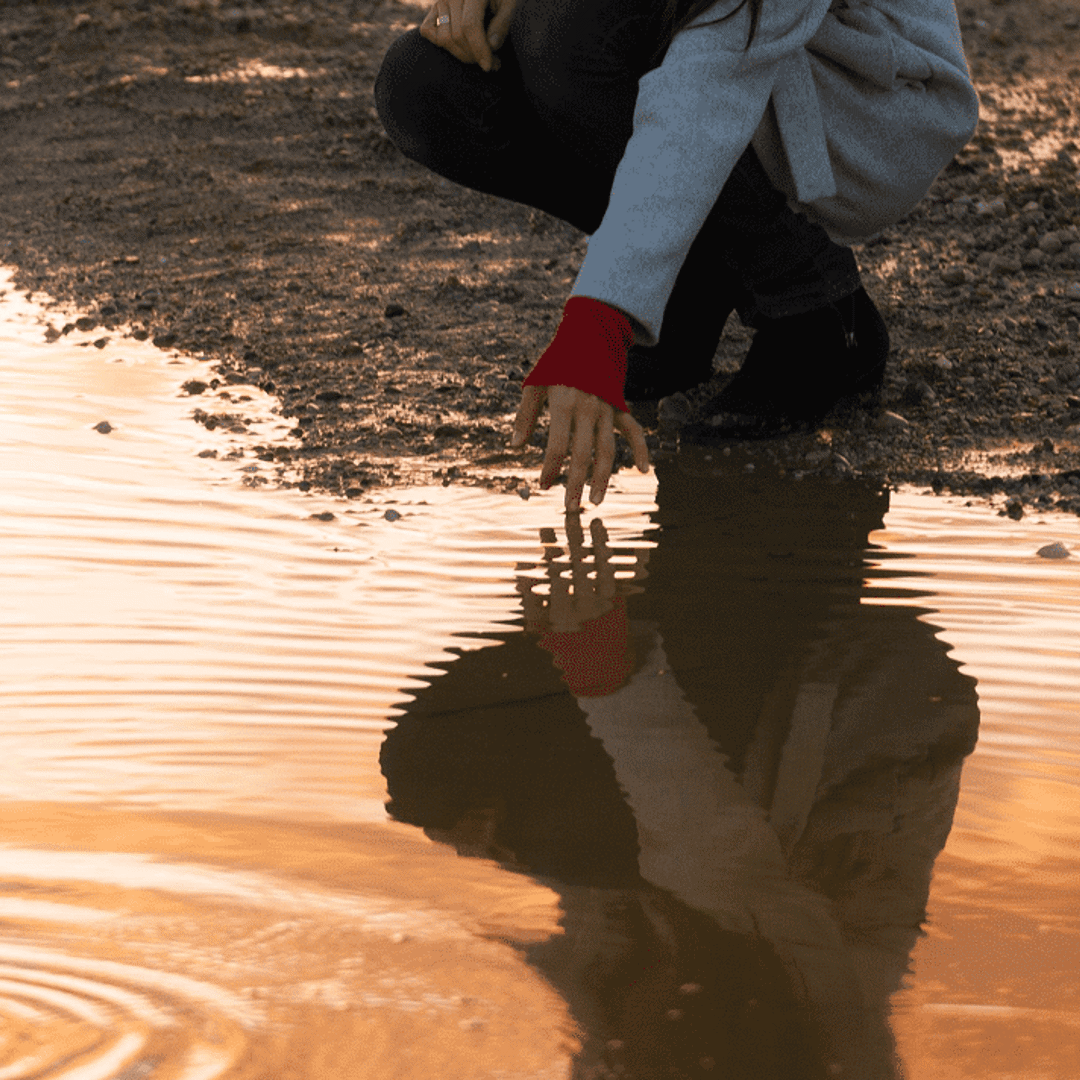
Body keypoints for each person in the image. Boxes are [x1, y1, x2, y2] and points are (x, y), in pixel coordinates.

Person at [374, 0, 978, 510]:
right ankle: (688, 285)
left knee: (568, 34)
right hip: (737, 59)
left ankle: (816, 307)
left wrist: (599, 322)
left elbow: (709, 84)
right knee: (425, 83)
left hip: (868, 91)